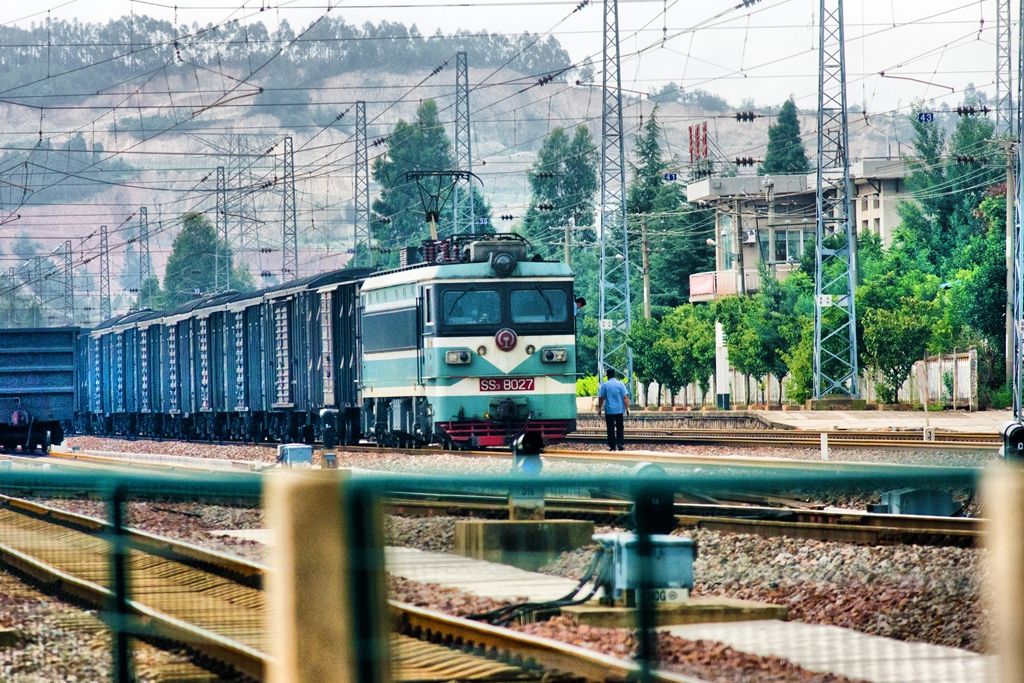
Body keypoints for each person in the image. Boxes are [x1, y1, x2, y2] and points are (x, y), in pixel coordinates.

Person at [597, 368, 630, 451]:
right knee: (620, 427)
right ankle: (620, 444)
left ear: (607, 376)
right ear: (614, 375)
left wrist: (599, 409)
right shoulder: (621, 384)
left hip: (609, 410)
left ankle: (612, 446)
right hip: (619, 410)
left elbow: (601, 398)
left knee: (610, 429)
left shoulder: (604, 385)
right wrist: (627, 408)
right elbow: (625, 397)